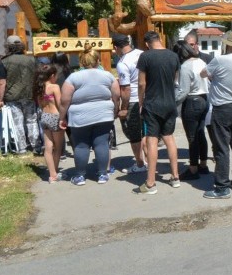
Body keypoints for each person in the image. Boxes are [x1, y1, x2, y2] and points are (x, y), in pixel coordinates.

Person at [59, 45, 120, 185]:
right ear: (98, 60)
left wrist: (62, 117)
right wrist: (115, 109)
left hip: (80, 116)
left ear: (82, 62)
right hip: (104, 114)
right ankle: (103, 174)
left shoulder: (73, 78)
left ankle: (80, 176)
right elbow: (116, 95)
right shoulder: (108, 75)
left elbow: (64, 100)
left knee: (81, 146)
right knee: (102, 144)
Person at [201, 30, 232, 199]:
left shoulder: (219, 60)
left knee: (221, 147)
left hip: (222, 106)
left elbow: (203, 73)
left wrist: (215, 79)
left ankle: (222, 186)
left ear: (227, 44)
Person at [135, 31, 181, 194]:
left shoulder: (145, 57)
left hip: (152, 104)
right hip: (169, 102)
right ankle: (175, 177)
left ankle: (150, 183)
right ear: (160, 39)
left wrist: (141, 102)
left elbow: (141, 83)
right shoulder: (173, 56)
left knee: (151, 140)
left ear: (147, 43)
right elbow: (175, 79)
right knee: (169, 138)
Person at [0, 36, 40, 154]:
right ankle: (36, 146)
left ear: (8, 47)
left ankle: (22, 148)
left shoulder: (4, 62)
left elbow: (2, 83)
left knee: (18, 122)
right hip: (29, 95)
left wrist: (0, 99)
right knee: (31, 121)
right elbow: (38, 78)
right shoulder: (32, 60)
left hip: (12, 96)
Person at [173, 40, 210, 180]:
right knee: (201, 134)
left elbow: (183, 91)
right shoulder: (201, 62)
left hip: (192, 101)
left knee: (192, 137)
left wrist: (173, 103)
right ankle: (203, 164)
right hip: (204, 99)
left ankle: (193, 169)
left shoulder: (185, 67)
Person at [112, 34, 147, 174]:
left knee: (133, 134)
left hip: (132, 100)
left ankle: (139, 164)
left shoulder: (122, 63)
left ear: (116, 47)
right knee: (145, 132)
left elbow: (125, 88)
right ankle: (148, 160)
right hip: (146, 98)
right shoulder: (143, 54)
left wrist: (123, 108)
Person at [35, 64, 64, 184]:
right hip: (55, 117)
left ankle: (51, 175)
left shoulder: (38, 88)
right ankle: (55, 173)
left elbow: (39, 104)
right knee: (57, 147)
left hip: (44, 116)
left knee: (48, 147)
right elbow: (60, 104)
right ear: (52, 75)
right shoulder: (54, 87)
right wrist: (64, 118)